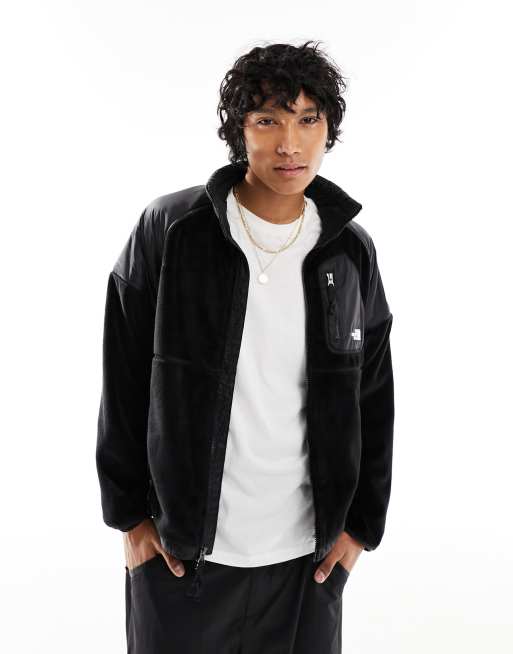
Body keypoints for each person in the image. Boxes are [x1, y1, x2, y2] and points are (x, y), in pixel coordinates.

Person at [96, 40, 395, 653]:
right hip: (181, 558)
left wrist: (361, 529)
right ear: (239, 130)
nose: (290, 144)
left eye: (308, 119)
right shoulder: (173, 230)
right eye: (268, 120)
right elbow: (121, 376)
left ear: (328, 129)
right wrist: (130, 520)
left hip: (307, 563)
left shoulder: (348, 250)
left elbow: (374, 392)